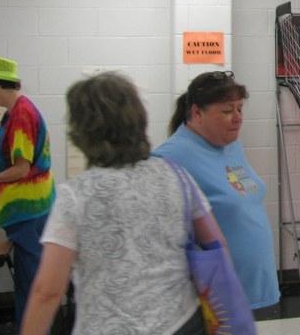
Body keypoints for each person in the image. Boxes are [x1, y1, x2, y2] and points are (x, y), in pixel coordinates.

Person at [21, 71, 224, 335]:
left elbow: (47, 291)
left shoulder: (76, 195)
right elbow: (216, 243)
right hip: (183, 322)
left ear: (82, 130)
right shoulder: (175, 174)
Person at [153, 70, 280, 312]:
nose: (237, 118)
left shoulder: (230, 145)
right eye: (227, 111)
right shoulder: (169, 158)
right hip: (210, 296)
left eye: (240, 109)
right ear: (197, 112)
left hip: (251, 286)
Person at [0, 56, 55, 328]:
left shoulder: (22, 115)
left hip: (29, 211)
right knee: (28, 280)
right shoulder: (15, 112)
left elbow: (21, 169)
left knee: (32, 286)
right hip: (30, 210)